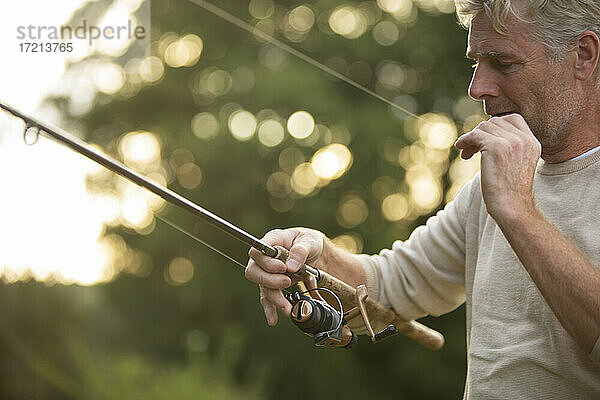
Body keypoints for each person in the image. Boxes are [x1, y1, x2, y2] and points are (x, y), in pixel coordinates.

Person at [246, 0, 600, 398]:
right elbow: (393, 286)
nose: (477, 87)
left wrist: (519, 212)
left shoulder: (506, 195)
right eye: (475, 63)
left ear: (583, 56)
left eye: (503, 63)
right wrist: (314, 258)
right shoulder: (490, 190)